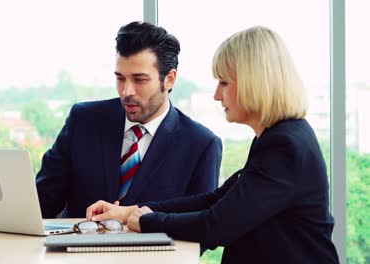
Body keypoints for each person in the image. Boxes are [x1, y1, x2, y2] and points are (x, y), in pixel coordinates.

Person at [86, 26, 339, 263]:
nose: (217, 95)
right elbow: (215, 199)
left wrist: (148, 221)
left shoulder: (285, 146)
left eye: (224, 82)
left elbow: (216, 226)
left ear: (255, 82)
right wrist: (131, 211)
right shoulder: (278, 137)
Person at [35, 21, 223, 218]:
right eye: (120, 78)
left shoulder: (201, 145)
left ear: (169, 79)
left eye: (139, 80)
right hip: (77, 247)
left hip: (153, 249)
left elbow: (198, 229)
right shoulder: (83, 121)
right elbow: (43, 201)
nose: (127, 91)